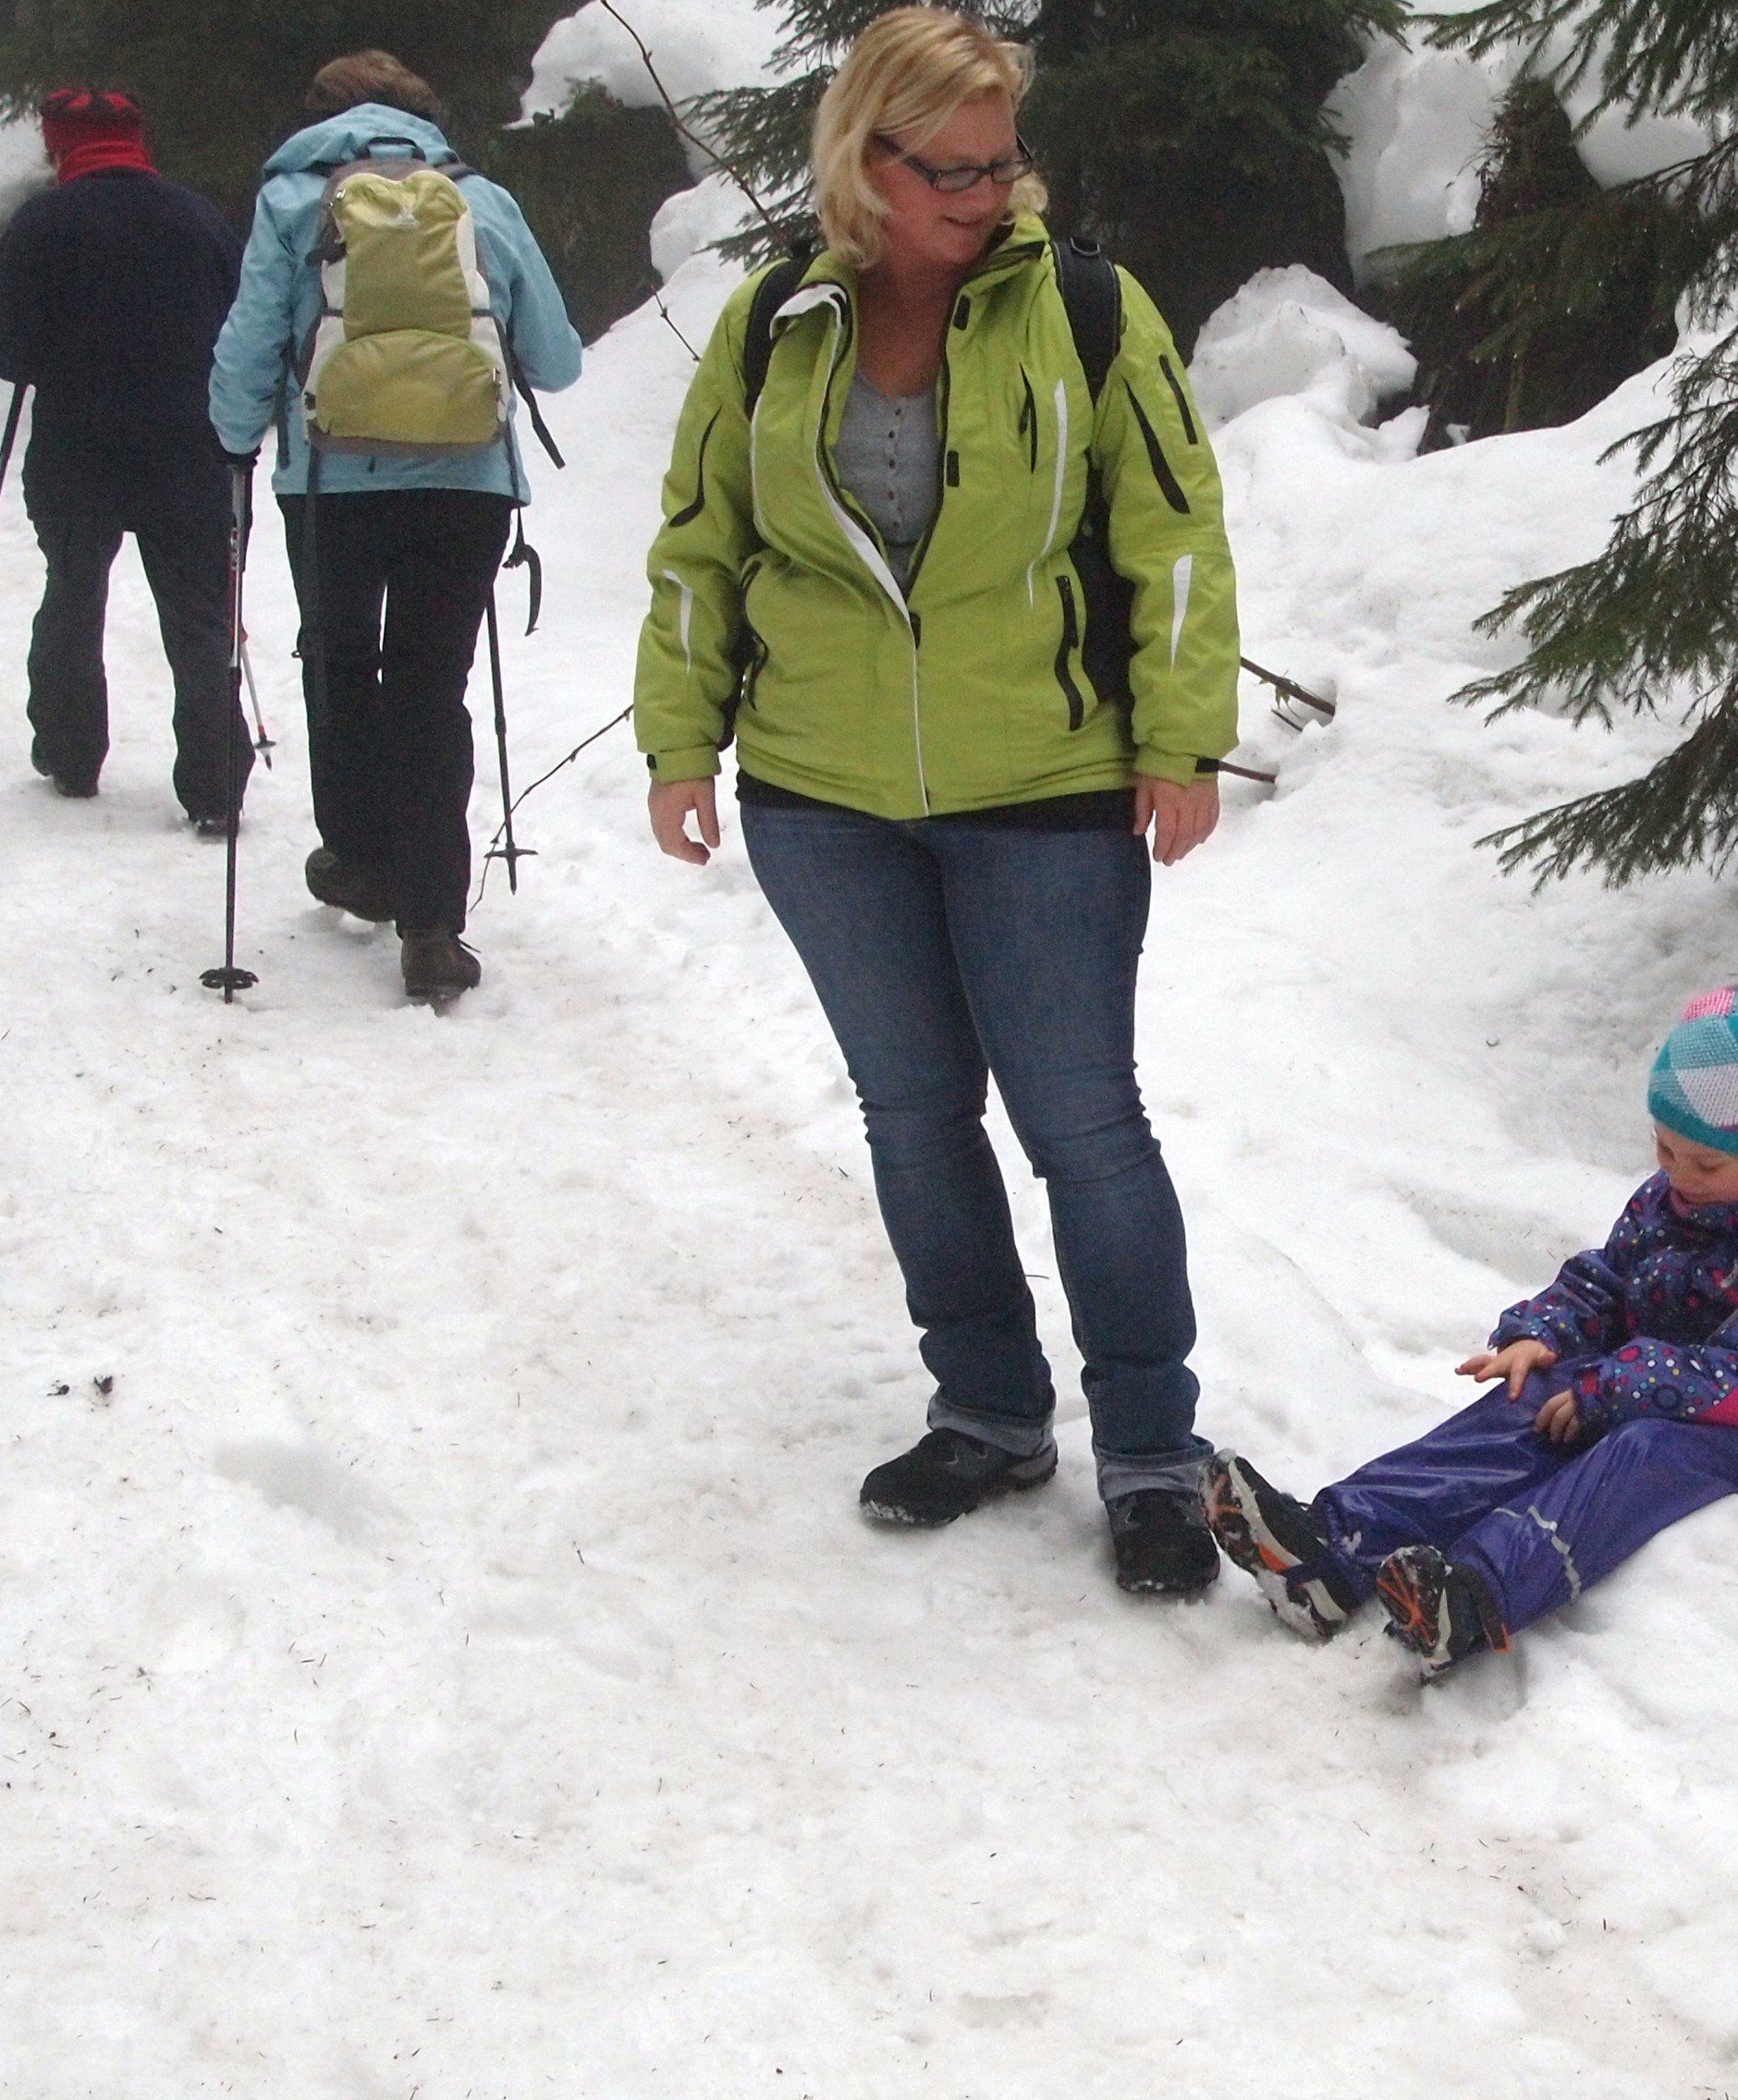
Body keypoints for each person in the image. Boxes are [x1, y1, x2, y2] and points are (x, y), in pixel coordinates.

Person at [630, 8, 1242, 1596]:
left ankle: (1153, 1453)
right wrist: (680, 741)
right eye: (950, 169)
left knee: (1084, 1126)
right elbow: (702, 539)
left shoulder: (1086, 311)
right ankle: (986, 1409)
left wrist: (1181, 739)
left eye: (1001, 162)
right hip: (821, 793)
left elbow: (1173, 533)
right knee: (912, 1116)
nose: (987, 194)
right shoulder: (777, 321)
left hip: (1042, 780)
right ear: (865, 159)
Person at [1204, 949, 1738, 1676]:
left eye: (1707, 1163)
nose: (1679, 1176)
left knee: (1641, 1452)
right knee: (1532, 1401)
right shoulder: (1676, 1194)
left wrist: (1625, 1384)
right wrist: (1544, 1332)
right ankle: (1332, 1551)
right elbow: (1613, 1278)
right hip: (1652, 1377)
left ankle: (1471, 1599)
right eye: (1665, 1149)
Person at [207, 50, 581, 1001]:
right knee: (429, 685)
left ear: (320, 116)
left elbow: (251, 342)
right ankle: (433, 923)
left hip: (329, 481)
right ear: (422, 113)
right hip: (466, 484)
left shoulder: (293, 200)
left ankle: (360, 858)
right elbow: (557, 358)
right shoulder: (481, 201)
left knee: (338, 662)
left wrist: (234, 438)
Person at [0, 89, 250, 830]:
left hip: (76, 447)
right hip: (187, 446)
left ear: (59, 145)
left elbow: (4, 345)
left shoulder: (41, 222)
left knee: (73, 594)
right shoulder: (198, 218)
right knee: (199, 613)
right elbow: (245, 323)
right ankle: (216, 784)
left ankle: (71, 754)